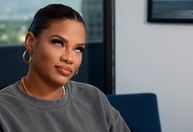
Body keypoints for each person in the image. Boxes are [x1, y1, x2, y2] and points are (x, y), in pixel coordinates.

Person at [0, 4, 130, 132]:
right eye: (58, 42)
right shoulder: (4, 111)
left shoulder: (95, 99)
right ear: (30, 42)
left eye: (78, 49)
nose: (69, 58)